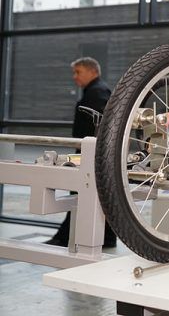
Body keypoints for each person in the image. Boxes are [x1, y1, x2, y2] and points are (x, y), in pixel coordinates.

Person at [46, 57, 116, 248]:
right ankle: (104, 238)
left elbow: (100, 125)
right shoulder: (96, 90)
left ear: (93, 71)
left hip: (89, 152)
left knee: (80, 193)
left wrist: (89, 152)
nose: (74, 77)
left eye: (78, 72)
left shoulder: (97, 92)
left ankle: (65, 236)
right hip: (89, 151)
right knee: (92, 194)